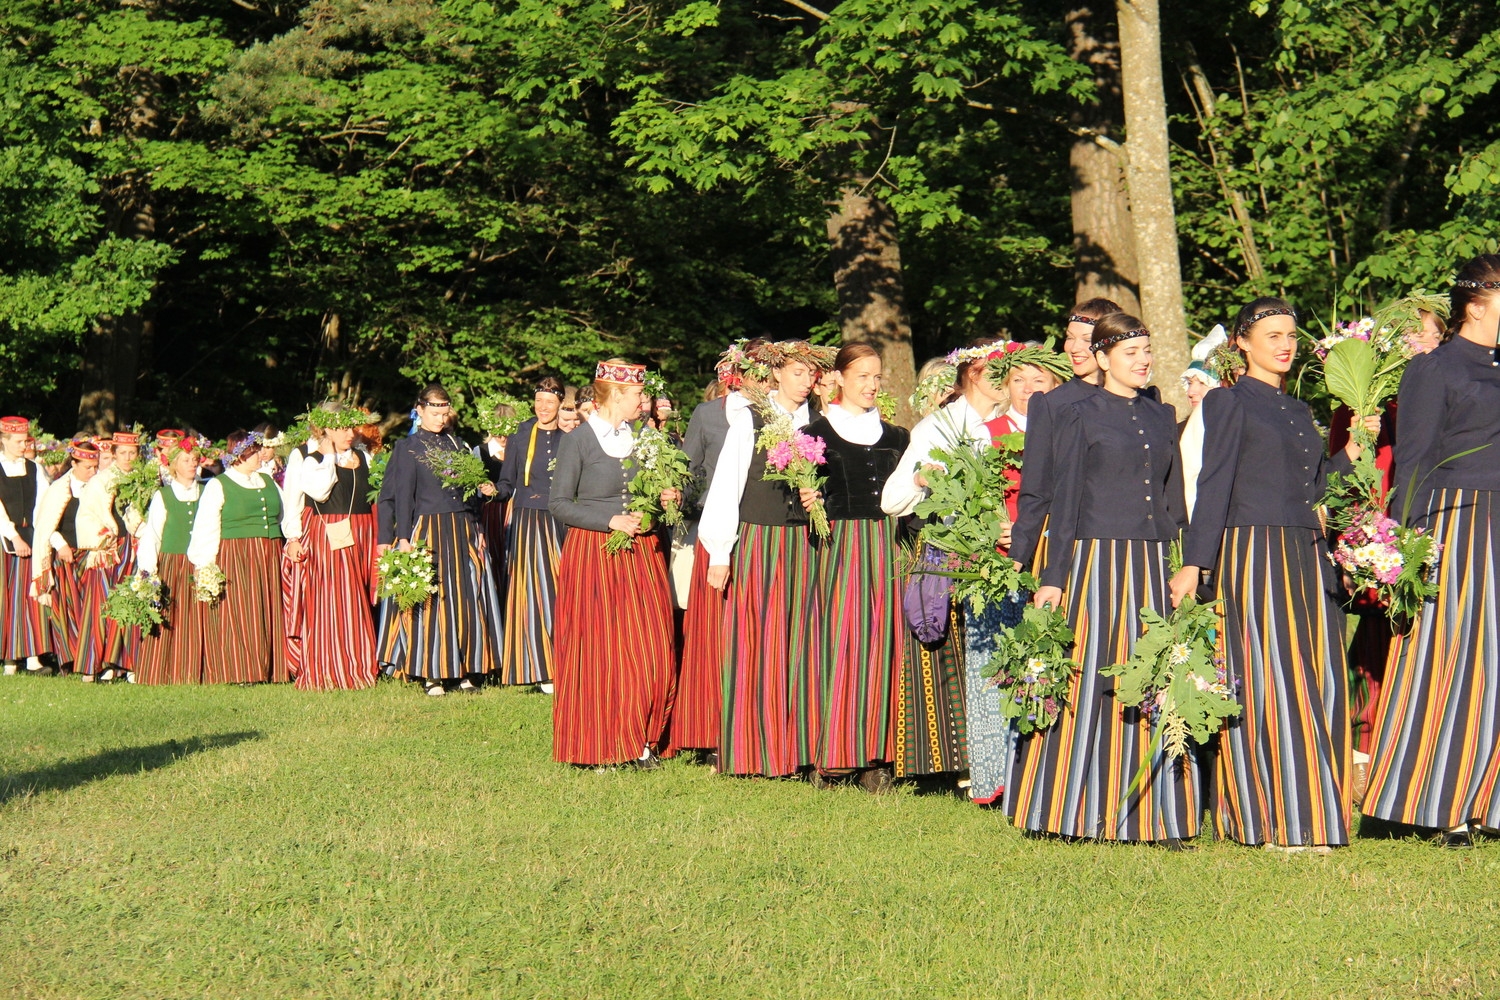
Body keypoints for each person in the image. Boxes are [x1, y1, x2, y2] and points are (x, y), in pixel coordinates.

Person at [1169, 297, 1370, 852]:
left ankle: (1318, 815)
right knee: (1269, 679)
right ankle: (1268, 817)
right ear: (1242, 343)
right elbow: (1213, 485)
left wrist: (1350, 451)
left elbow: (1317, 488)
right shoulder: (1228, 403)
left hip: (1307, 553)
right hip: (1252, 551)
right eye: (1273, 335)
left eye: (1291, 335)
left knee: (1320, 677)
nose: (1285, 345)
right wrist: (1195, 562)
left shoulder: (1299, 410)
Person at [1011, 314, 1197, 844]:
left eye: (1147, 350)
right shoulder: (1078, 414)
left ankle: (1152, 815)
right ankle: (1065, 811)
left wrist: (1185, 561)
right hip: (1094, 561)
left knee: (1152, 676)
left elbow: (1173, 499)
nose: (1142, 360)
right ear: (1102, 358)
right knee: (1089, 677)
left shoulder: (1163, 415)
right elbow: (1063, 499)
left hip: (1150, 563)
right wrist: (1052, 575)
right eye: (1131, 351)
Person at [1363, 257, 1500, 847]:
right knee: (1453, 661)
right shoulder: (1434, 368)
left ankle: (1490, 806)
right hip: (1456, 523)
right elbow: (1413, 460)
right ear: (1476, 303)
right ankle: (1439, 804)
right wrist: (1404, 547)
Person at [881, 338, 1011, 782]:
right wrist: (921, 477)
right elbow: (892, 499)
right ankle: (956, 761)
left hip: (1005, 552)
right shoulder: (938, 428)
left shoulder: (1013, 422)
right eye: (997, 372)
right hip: (952, 551)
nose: (1006, 381)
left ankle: (1002, 757)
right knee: (957, 658)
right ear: (973, 374)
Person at [698, 341, 826, 775]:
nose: (805, 382)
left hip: (806, 546)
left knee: (801, 643)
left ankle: (798, 748)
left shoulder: (819, 423)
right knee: (756, 642)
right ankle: (749, 748)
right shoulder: (751, 421)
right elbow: (726, 486)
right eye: (797, 373)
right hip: (761, 541)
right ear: (776, 375)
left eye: (811, 375)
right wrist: (720, 551)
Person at [549, 360, 680, 768]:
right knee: (601, 651)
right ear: (617, 395)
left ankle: (641, 736)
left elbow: (651, 491)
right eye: (639, 395)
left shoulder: (643, 437)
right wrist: (608, 520)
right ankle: (602, 742)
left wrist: (663, 502)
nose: (645, 402)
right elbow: (558, 504)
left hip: (642, 554)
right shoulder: (579, 440)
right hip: (594, 556)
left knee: (651, 647)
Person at [803, 343, 910, 791]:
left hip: (889, 546)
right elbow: (799, 497)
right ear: (840, 378)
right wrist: (806, 500)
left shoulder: (898, 437)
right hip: (840, 547)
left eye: (876, 376)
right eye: (862, 375)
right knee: (841, 643)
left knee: (884, 646)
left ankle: (877, 758)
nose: (870, 384)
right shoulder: (815, 434)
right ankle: (832, 756)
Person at [966, 345, 1064, 805]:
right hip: (1005, 561)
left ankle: (1045, 769)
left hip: (1055, 556)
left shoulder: (1068, 429)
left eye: (1038, 380)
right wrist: (994, 526)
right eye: (1019, 380)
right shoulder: (989, 434)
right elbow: (970, 499)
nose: (1028, 389)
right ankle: (996, 775)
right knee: (999, 665)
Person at [383, 385, 503, 695]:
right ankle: (432, 673)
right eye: (434, 412)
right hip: (429, 530)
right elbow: (398, 497)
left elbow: (470, 491)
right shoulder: (407, 448)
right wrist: (402, 538)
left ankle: (464, 669)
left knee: (466, 596)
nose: (440, 418)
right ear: (419, 410)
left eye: (443, 412)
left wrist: (482, 492)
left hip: (463, 528)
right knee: (432, 599)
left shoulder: (459, 445)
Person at [1009, 299, 1123, 574]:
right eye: (1070, 338)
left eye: (1085, 339)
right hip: (1069, 543)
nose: (1073, 348)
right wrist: (1017, 554)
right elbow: (1036, 487)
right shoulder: (1052, 405)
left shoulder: (1142, 403)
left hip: (1132, 540)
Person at [669, 357, 740, 762]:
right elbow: (689, 467)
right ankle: (708, 732)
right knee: (710, 631)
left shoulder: (784, 416)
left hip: (761, 532)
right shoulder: (708, 414)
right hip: (712, 528)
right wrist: (681, 498)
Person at [282, 403, 380, 691]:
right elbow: (304, 496)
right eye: (341, 427)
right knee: (334, 601)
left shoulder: (363, 455)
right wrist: (293, 537)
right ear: (324, 428)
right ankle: (332, 667)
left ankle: (364, 662)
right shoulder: (306, 456)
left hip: (362, 533)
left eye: (351, 426)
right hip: (327, 533)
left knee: (361, 597)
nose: (349, 433)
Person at [187, 429, 291, 684]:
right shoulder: (219, 485)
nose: (260, 456)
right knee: (242, 612)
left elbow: (284, 516)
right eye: (254, 452)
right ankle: (242, 670)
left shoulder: (268, 481)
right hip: (237, 554)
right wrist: (205, 563)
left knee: (268, 609)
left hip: (269, 552)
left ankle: (271, 669)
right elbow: (207, 525)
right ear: (240, 455)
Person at [494, 377, 566, 689]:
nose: (543, 408)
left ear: (560, 403)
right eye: (539, 401)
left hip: (558, 521)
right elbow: (506, 482)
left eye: (549, 402)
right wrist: (491, 491)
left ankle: (560, 663)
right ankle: (534, 665)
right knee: (529, 592)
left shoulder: (570, 439)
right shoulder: (520, 435)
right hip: (526, 519)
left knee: (557, 590)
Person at [135, 432, 211, 685]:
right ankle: (165, 671)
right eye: (186, 460)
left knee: (200, 619)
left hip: (200, 563)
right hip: (172, 564)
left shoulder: (208, 490)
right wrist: (148, 572)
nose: (192, 464)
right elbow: (153, 536)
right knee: (172, 617)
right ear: (174, 464)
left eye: (195, 460)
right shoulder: (163, 496)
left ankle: (199, 671)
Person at [75, 430, 146, 681]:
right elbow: (85, 515)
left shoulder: (144, 479)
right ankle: (91, 666)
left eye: (132, 453)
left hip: (134, 547)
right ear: (113, 454)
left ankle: (124, 664)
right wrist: (103, 538)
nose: (128, 457)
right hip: (107, 549)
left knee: (131, 604)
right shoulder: (100, 481)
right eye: (123, 453)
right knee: (100, 606)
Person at [31, 439, 101, 674]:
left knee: (91, 609)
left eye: (95, 467)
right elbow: (45, 526)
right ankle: (69, 660)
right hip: (67, 556)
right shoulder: (60, 489)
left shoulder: (100, 487)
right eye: (87, 467)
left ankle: (91, 659)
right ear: (74, 463)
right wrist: (60, 545)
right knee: (68, 609)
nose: (92, 472)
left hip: (92, 555)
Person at [0, 417, 51, 675]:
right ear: (4, 440)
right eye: (18, 441)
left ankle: (32, 657)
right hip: (4, 540)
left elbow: (44, 505)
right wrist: (13, 536)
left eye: (25, 441)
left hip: (30, 537)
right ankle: (9, 660)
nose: (23, 446)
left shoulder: (35, 469)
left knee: (29, 598)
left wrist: (40, 536)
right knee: (5, 599)